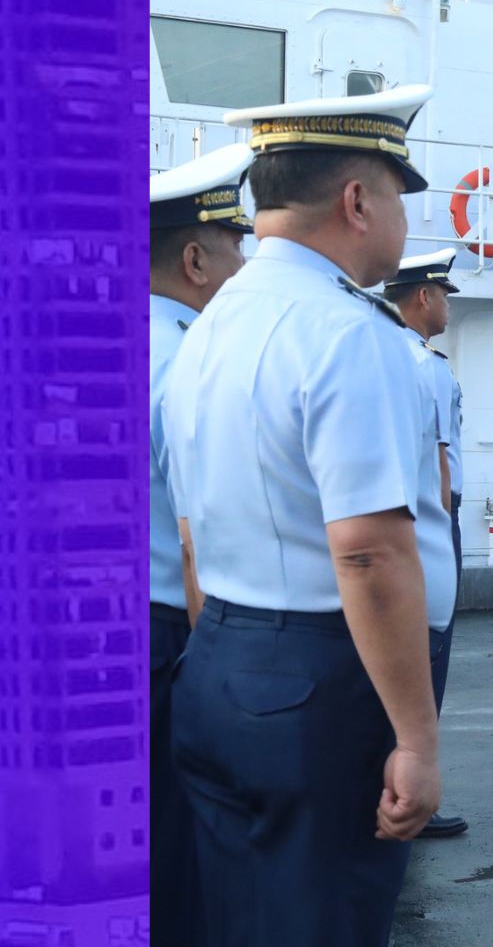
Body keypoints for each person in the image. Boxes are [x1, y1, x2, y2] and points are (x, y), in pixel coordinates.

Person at [164, 86, 442, 943]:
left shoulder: (206, 324)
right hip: (321, 679)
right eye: (398, 197)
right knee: (325, 921)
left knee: (239, 918)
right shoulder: (348, 334)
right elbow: (367, 554)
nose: (400, 222)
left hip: (219, 659)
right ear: (359, 201)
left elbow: (191, 528)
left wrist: (226, 652)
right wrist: (417, 742)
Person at [147, 143, 252, 944]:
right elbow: (197, 541)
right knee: (177, 848)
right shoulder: (189, 365)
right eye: (235, 247)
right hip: (162, 635)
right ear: (193, 259)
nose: (247, 263)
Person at [380, 248, 471, 840]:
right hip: (433, 523)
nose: (446, 306)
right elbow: (439, 465)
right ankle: (411, 793)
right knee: (426, 664)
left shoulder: (392, 356)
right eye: (443, 295)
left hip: (409, 520)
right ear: (422, 297)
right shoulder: (425, 367)